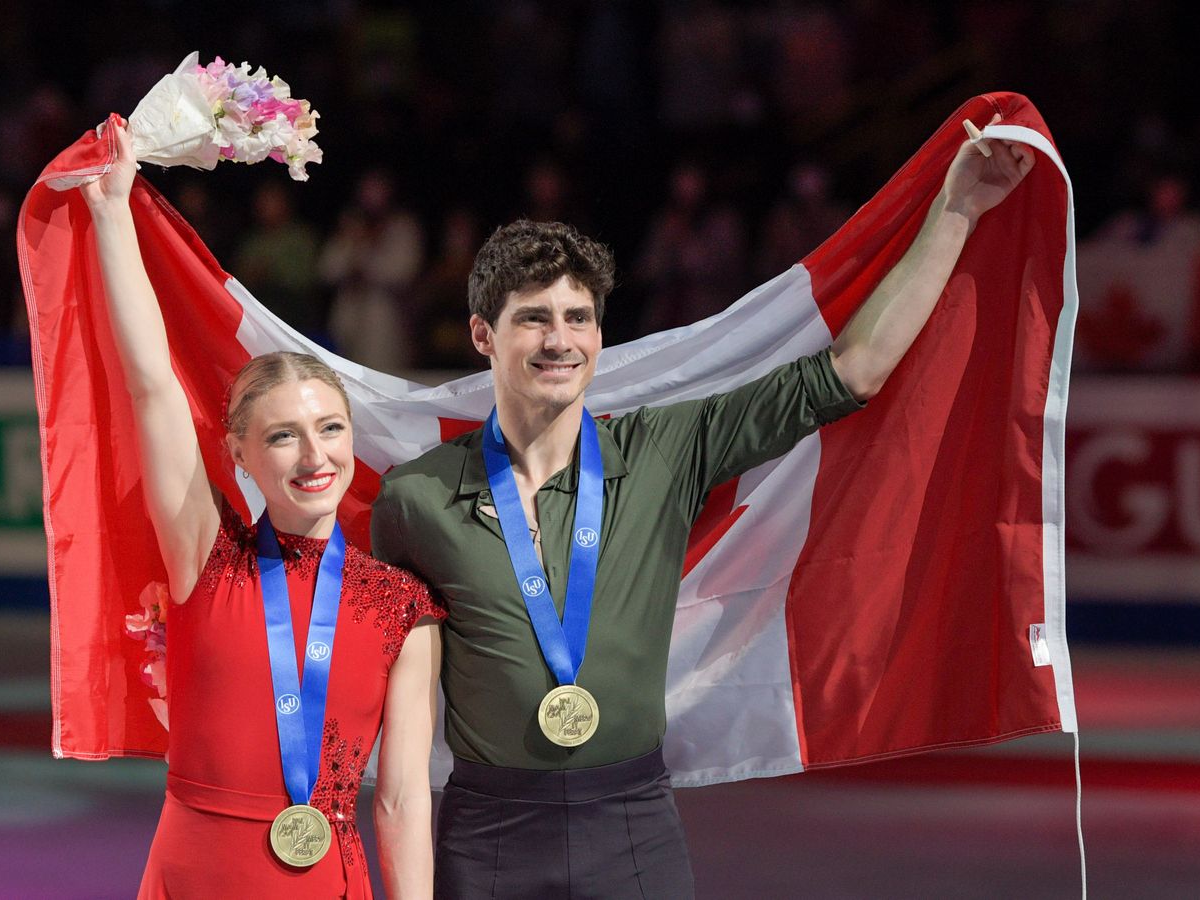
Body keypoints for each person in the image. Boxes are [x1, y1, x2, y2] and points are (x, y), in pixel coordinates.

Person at [370, 113, 1034, 899]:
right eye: (534, 319)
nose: (560, 340)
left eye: (578, 317)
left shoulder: (665, 450)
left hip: (631, 827)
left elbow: (853, 371)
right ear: (484, 334)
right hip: (488, 836)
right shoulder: (416, 499)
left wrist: (956, 210)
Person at [79, 120, 444, 900]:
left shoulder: (403, 608)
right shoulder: (205, 556)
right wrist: (112, 213)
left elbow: (404, 800)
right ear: (240, 454)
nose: (315, 456)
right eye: (283, 435)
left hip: (326, 883)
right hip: (194, 877)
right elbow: (152, 386)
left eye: (331, 429)